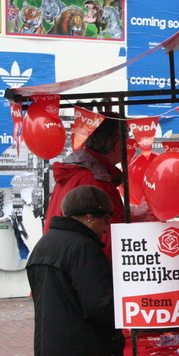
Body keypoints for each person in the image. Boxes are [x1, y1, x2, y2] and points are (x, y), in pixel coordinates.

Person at [27, 185, 124, 356]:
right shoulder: (84, 247)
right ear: (90, 216)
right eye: (105, 218)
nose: (106, 226)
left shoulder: (45, 244)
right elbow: (99, 306)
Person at [43, 111, 125, 261]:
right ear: (119, 145)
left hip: (62, 267)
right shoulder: (96, 180)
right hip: (88, 275)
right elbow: (110, 242)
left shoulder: (75, 171)